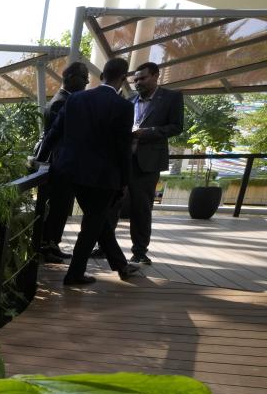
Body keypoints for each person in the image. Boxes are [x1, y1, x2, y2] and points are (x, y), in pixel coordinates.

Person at [38, 58, 140, 286]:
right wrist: (125, 180)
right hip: (104, 178)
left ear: (102, 74)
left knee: (98, 220)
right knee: (93, 224)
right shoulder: (124, 106)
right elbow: (123, 148)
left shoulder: (76, 98)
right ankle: (74, 274)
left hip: (72, 173)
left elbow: (54, 132)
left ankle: (121, 265)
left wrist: (40, 159)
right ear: (123, 79)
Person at [125, 61, 184, 264]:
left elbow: (176, 127)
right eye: (135, 79)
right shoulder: (129, 101)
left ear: (156, 75)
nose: (138, 82)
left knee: (141, 208)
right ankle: (103, 246)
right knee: (110, 205)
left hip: (147, 163)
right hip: (123, 161)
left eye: (142, 78)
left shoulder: (171, 98)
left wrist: (147, 132)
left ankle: (140, 252)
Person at [37, 61, 90, 263]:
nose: (86, 82)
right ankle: (47, 245)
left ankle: (52, 243)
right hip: (60, 165)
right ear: (70, 78)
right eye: (84, 78)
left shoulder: (63, 100)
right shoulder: (62, 103)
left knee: (60, 207)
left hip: (61, 164)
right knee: (58, 207)